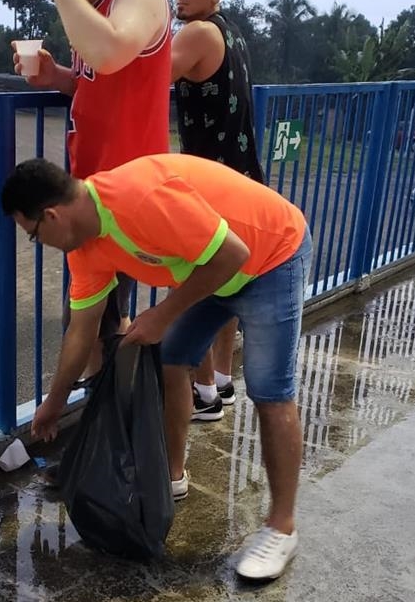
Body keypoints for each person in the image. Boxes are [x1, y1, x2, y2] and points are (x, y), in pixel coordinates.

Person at [2, 154, 311, 581]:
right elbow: (81, 333)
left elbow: (232, 253)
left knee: (270, 390)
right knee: (170, 359)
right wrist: (53, 404)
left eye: (34, 235)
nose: (40, 244)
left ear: (51, 215)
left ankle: (282, 527)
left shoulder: (138, 197)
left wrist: (162, 315)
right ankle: (171, 475)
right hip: (213, 271)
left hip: (270, 257)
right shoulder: (85, 247)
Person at [13, 0, 172, 380]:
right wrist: (56, 77)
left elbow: (110, 53)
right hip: (95, 190)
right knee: (103, 318)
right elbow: (97, 80)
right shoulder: (97, 9)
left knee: (93, 324)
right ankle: (111, 415)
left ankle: (108, 420)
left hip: (126, 193)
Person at [172, 0, 265, 422]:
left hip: (211, 184)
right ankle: (224, 380)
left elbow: (144, 77)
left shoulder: (196, 34)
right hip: (242, 178)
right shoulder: (230, 30)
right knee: (227, 285)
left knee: (195, 286)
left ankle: (204, 394)